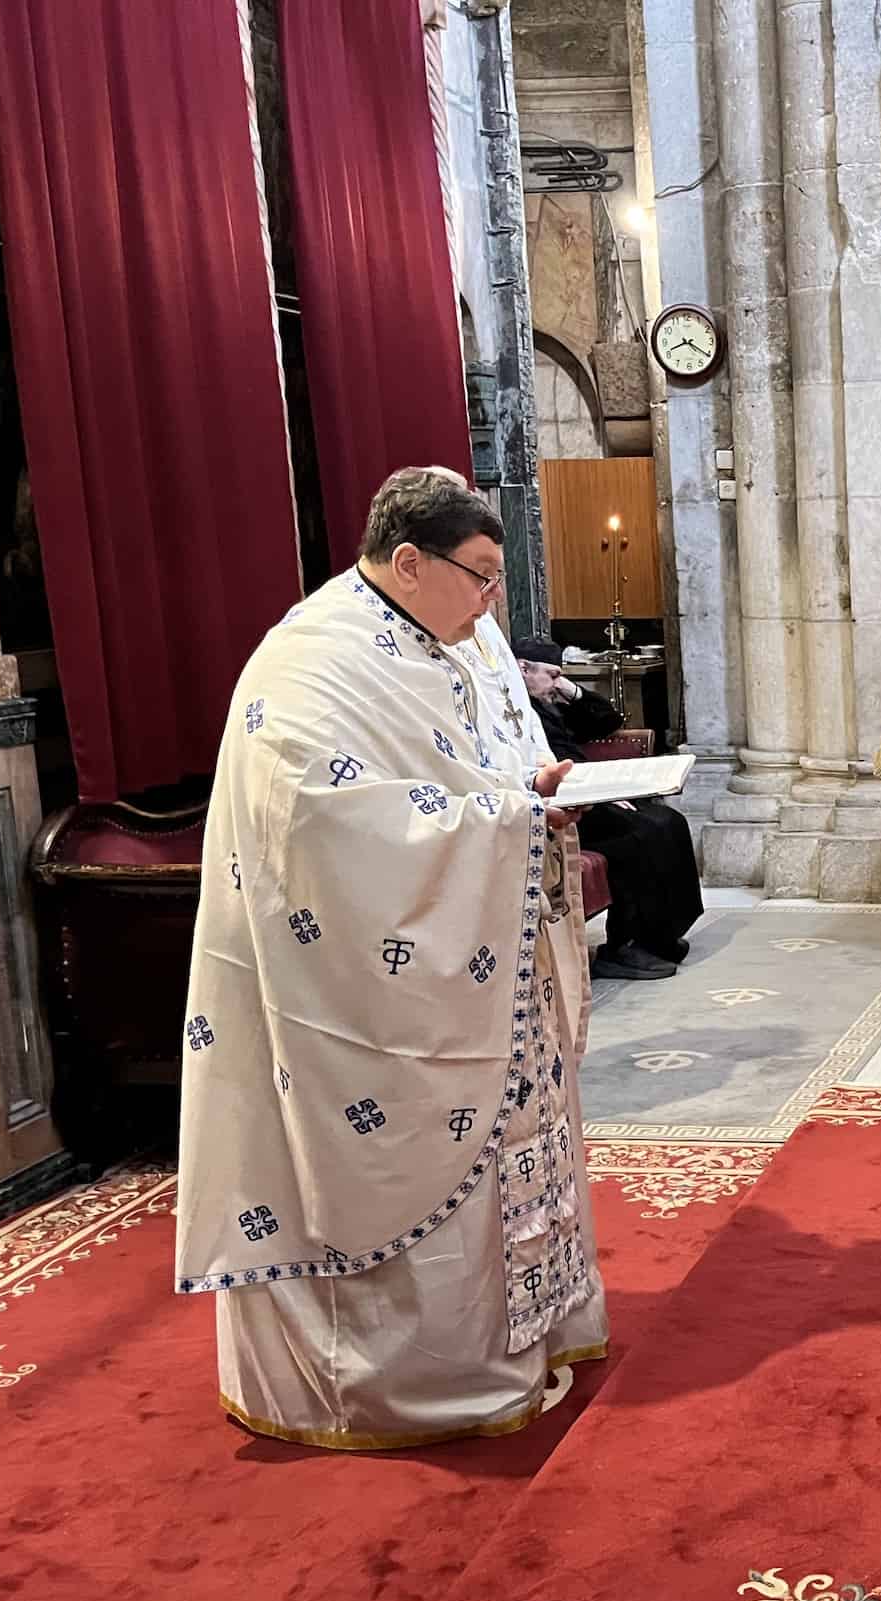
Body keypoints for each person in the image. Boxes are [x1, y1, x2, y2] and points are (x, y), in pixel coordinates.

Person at [175, 467, 607, 1449]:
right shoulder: (310, 669)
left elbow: (476, 765)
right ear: (408, 563)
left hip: (486, 963)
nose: (496, 602)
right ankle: (387, 1383)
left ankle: (531, 1333)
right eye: (482, 577)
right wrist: (509, 823)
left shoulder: (457, 636)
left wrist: (532, 786)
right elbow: (329, 836)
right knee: (389, 1166)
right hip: (360, 995)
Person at [512, 639, 704, 983]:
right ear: (523, 669)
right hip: (563, 801)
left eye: (560, 676)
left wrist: (570, 690)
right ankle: (624, 945)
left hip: (593, 790)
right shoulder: (517, 709)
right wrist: (600, 793)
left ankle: (662, 935)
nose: (557, 683)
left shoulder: (551, 702)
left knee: (668, 820)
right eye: (551, 675)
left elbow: (608, 720)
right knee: (639, 835)